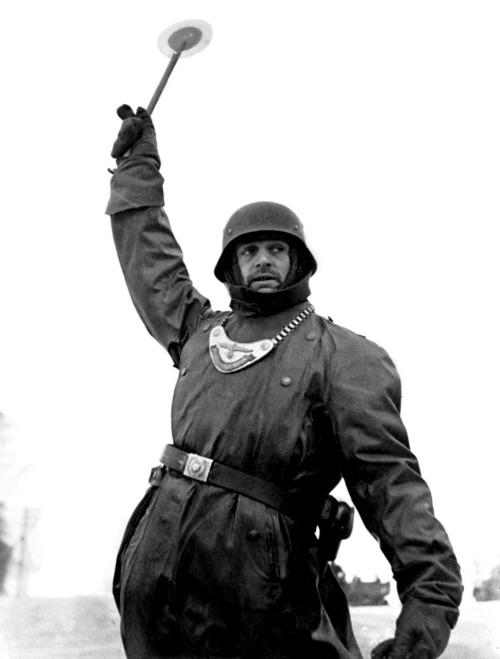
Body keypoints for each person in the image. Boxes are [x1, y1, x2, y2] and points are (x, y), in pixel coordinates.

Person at [106, 105, 462, 659]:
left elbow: (393, 488)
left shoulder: (345, 357)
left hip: (263, 592)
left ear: (299, 261)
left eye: (277, 248)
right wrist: (137, 167)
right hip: (160, 567)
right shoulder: (200, 333)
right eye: (249, 250)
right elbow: (150, 260)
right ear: (231, 266)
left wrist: (426, 613)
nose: (263, 260)